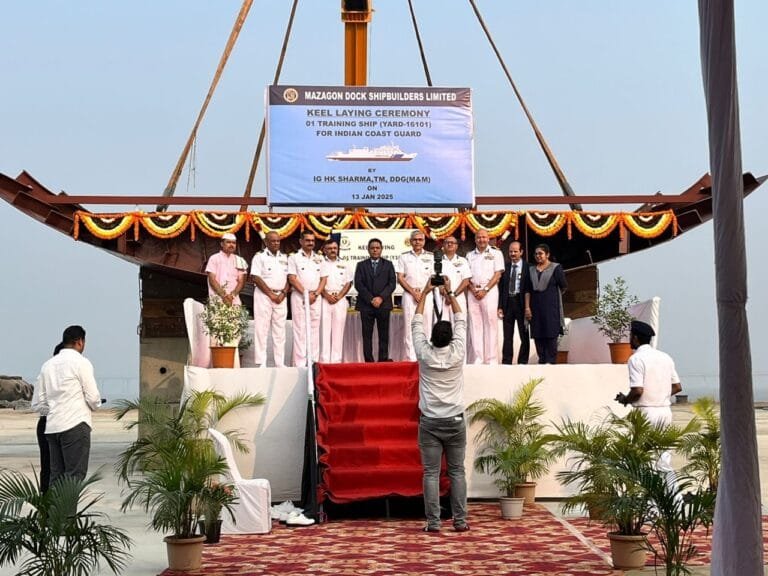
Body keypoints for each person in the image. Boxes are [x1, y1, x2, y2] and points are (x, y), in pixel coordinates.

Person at [412, 276, 469, 533]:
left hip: (431, 422)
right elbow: (461, 320)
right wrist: (450, 293)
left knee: (431, 474)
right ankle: (460, 521)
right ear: (449, 338)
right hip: (455, 420)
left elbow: (416, 322)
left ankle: (433, 522)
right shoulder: (458, 352)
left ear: (433, 337)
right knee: (457, 472)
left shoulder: (425, 353)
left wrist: (425, 292)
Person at [615, 320, 683, 489]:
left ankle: (651, 505)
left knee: (644, 458)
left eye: (631, 336)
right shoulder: (665, 357)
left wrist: (625, 399)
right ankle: (674, 501)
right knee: (663, 458)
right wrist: (661, 394)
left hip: (646, 413)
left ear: (636, 338)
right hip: (665, 411)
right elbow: (677, 387)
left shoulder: (636, 359)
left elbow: (637, 391)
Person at [31, 326, 102, 484]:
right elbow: (93, 398)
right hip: (75, 424)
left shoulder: (47, 365)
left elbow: (38, 403)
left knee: (55, 477)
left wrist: (55, 409)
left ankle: (56, 509)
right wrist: (94, 405)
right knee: (74, 477)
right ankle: (68, 510)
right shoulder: (81, 362)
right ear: (79, 342)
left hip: (52, 427)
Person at [250, 231, 290, 367]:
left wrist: (283, 293)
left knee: (280, 330)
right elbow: (256, 277)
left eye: (278, 241)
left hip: (281, 296)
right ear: (266, 242)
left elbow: (290, 278)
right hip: (264, 295)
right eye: (273, 241)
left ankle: (280, 362)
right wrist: (271, 294)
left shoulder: (285, 258)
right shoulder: (259, 257)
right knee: (262, 329)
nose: (276, 243)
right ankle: (262, 362)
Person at [288, 230, 327, 367]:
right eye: (307, 240)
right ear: (301, 241)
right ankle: (300, 363)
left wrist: (315, 294)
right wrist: (306, 294)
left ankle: (313, 362)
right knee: (300, 330)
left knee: (315, 330)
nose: (311, 243)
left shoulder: (320, 258)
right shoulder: (294, 258)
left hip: (316, 297)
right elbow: (292, 278)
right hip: (300, 297)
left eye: (312, 240)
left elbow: (323, 279)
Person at [354, 238, 397, 362]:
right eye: (372, 248)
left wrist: (380, 298)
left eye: (377, 248)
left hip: (383, 305)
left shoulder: (388, 264)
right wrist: (371, 299)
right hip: (366, 305)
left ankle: (383, 359)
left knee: (384, 334)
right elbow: (358, 284)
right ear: (368, 249)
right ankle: (369, 361)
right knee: (367, 335)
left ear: (381, 249)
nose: (375, 250)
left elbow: (392, 284)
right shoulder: (361, 265)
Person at [524, 243, 567, 364]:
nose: (538, 256)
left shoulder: (556, 268)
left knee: (551, 335)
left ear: (547, 254)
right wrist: (527, 307)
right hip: (535, 309)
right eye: (536, 254)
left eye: (541, 253)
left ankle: (550, 363)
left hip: (551, 309)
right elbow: (527, 290)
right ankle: (542, 362)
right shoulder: (531, 270)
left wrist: (550, 298)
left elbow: (563, 286)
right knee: (538, 336)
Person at [466, 229, 505, 364]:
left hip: (489, 291)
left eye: (484, 237)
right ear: (475, 239)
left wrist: (485, 289)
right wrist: (473, 289)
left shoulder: (496, 253)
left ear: (488, 239)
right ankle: (478, 358)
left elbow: (498, 274)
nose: (481, 240)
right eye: (478, 237)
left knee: (490, 324)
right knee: (475, 325)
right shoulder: (469, 255)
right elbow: (466, 276)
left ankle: (491, 359)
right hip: (473, 291)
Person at [396, 230, 435, 361]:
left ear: (424, 241)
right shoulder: (403, 257)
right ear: (411, 241)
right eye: (415, 240)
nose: (417, 242)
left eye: (420, 239)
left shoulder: (431, 257)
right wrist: (413, 292)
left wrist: (423, 293)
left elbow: (434, 278)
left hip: (427, 295)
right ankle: (410, 359)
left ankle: (426, 358)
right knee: (409, 327)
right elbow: (400, 278)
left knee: (427, 326)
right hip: (409, 295)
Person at [30, 342, 62, 492]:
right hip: (48, 423)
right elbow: (36, 405)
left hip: (67, 423)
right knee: (48, 466)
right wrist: (55, 409)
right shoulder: (44, 375)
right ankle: (46, 504)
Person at [320, 238, 352, 363]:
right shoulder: (320, 263)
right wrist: (326, 295)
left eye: (335, 248)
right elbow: (318, 282)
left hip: (340, 299)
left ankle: (336, 360)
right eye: (329, 248)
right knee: (324, 330)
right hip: (324, 299)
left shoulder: (345, 263)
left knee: (338, 331)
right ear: (324, 250)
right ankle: (324, 360)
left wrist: (339, 296)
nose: (333, 250)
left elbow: (349, 282)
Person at [498, 241, 530, 364]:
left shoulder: (528, 267)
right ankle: (506, 361)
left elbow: (529, 289)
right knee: (507, 336)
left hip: (522, 303)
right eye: (511, 251)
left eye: (515, 251)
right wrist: (500, 306)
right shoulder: (504, 268)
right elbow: (501, 289)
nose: (512, 254)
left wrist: (528, 307)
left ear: (521, 252)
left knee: (524, 335)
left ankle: (522, 361)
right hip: (508, 303)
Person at [205, 232, 248, 305]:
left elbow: (242, 282)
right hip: (217, 298)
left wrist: (232, 296)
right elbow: (212, 280)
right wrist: (224, 296)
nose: (231, 245)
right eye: (228, 242)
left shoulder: (240, 260)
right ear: (222, 244)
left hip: (234, 300)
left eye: (233, 243)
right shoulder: (214, 258)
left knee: (235, 316)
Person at [438, 236, 471, 325]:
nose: (450, 244)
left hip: (458, 298)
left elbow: (466, 281)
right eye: (447, 242)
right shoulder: (437, 261)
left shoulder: (463, 261)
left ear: (456, 246)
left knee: (459, 326)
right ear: (443, 246)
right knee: (443, 329)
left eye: (452, 242)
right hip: (443, 299)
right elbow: (436, 281)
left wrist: (452, 295)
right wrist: (446, 295)